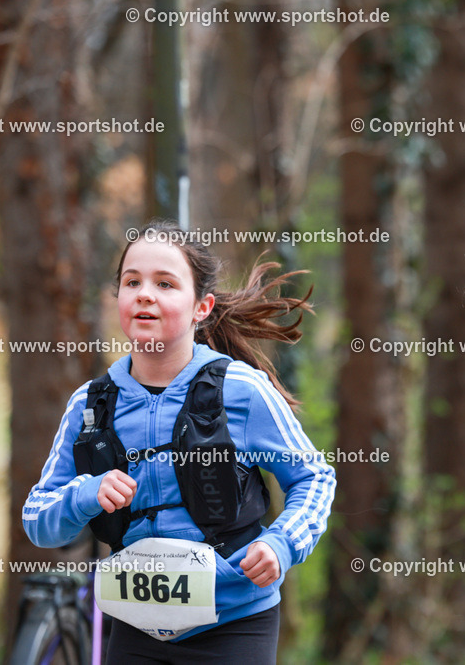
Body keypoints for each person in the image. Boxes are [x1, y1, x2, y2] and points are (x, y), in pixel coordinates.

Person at [23, 220, 336, 663]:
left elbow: (314, 478)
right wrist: (87, 494)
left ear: (201, 307)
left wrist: (282, 543)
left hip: (235, 624)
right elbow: (38, 520)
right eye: (132, 282)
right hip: (134, 627)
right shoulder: (90, 406)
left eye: (165, 284)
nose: (145, 293)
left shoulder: (241, 391)